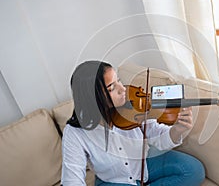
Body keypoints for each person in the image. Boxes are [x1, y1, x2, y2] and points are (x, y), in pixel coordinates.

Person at [61, 60, 205, 186]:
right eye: (112, 88)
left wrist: (177, 129)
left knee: (194, 170)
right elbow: (72, 181)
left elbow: (157, 135)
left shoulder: (134, 107)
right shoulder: (74, 133)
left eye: (119, 81)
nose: (123, 89)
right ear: (92, 98)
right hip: (113, 181)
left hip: (144, 166)